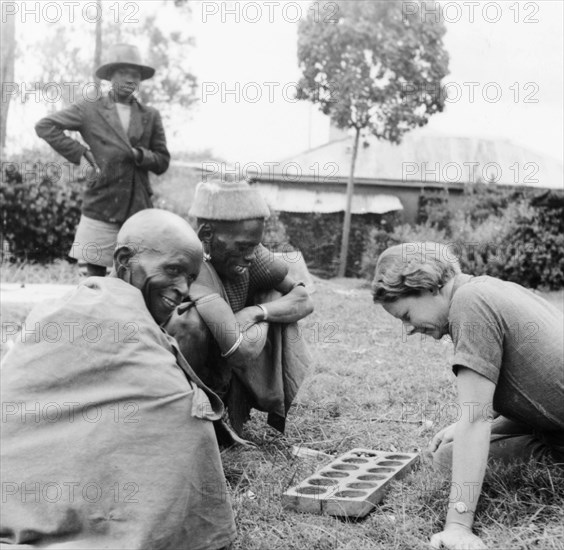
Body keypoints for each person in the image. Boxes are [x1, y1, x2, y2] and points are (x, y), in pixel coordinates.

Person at [0, 209, 236, 550]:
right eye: (173, 270)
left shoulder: (58, 307)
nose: (184, 288)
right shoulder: (118, 322)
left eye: (191, 277)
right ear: (124, 260)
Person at [371, 241, 564, 550]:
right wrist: (462, 429)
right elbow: (541, 392)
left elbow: (476, 417)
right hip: (554, 421)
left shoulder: (469, 305)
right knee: (452, 449)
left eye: (406, 315)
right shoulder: (486, 288)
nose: (408, 329)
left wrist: (458, 526)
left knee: (447, 459)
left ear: (430, 286)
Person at [165, 178, 314, 442]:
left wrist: (257, 311)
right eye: (243, 247)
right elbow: (240, 352)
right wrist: (265, 314)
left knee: (275, 294)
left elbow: (303, 298)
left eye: (255, 246)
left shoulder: (251, 254)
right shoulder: (193, 264)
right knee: (190, 322)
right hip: (170, 375)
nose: (250, 255)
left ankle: (223, 413)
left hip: (224, 358)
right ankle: (188, 424)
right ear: (206, 235)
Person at [35, 43, 170, 277]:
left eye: (135, 75)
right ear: (110, 76)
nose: (130, 79)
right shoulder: (90, 109)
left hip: (138, 206)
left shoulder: (150, 115)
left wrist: (140, 155)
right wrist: (80, 154)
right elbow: (45, 126)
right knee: (93, 277)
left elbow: (162, 161)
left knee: (137, 273)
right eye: (123, 73)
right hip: (101, 201)